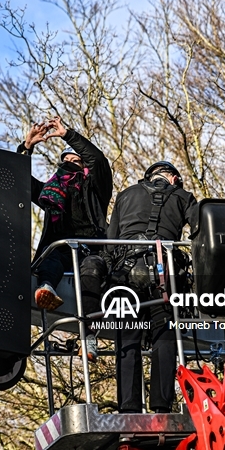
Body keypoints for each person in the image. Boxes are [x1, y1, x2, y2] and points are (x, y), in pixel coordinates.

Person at [81, 161, 198, 413]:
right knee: (164, 337)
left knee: (128, 339)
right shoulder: (183, 196)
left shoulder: (126, 195)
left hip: (126, 273)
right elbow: (201, 232)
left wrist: (106, 277)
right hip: (165, 274)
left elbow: (110, 243)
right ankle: (161, 406)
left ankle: (129, 408)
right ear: (174, 179)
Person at [19, 117, 112, 357]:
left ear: (84, 167)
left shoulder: (96, 189)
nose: (69, 164)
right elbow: (19, 181)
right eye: (66, 160)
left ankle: (89, 338)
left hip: (90, 252)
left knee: (91, 271)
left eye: (75, 160)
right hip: (61, 251)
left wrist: (68, 135)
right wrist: (27, 148)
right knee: (51, 257)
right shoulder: (51, 193)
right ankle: (46, 288)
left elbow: (99, 160)